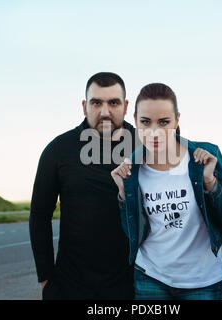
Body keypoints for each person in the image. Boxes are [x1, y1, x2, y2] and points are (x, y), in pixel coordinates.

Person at [111, 83, 222, 300]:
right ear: (135, 120)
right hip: (150, 278)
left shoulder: (206, 156)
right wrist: (124, 195)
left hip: (202, 282)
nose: (154, 132)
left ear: (177, 120)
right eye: (145, 122)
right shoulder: (131, 169)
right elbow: (134, 233)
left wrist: (210, 181)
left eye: (164, 122)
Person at [29, 72, 139, 299]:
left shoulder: (144, 147)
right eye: (96, 102)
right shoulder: (59, 149)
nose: (105, 111)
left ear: (126, 106)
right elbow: (40, 216)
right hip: (71, 286)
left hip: (132, 286)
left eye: (114, 102)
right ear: (84, 106)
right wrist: (46, 279)